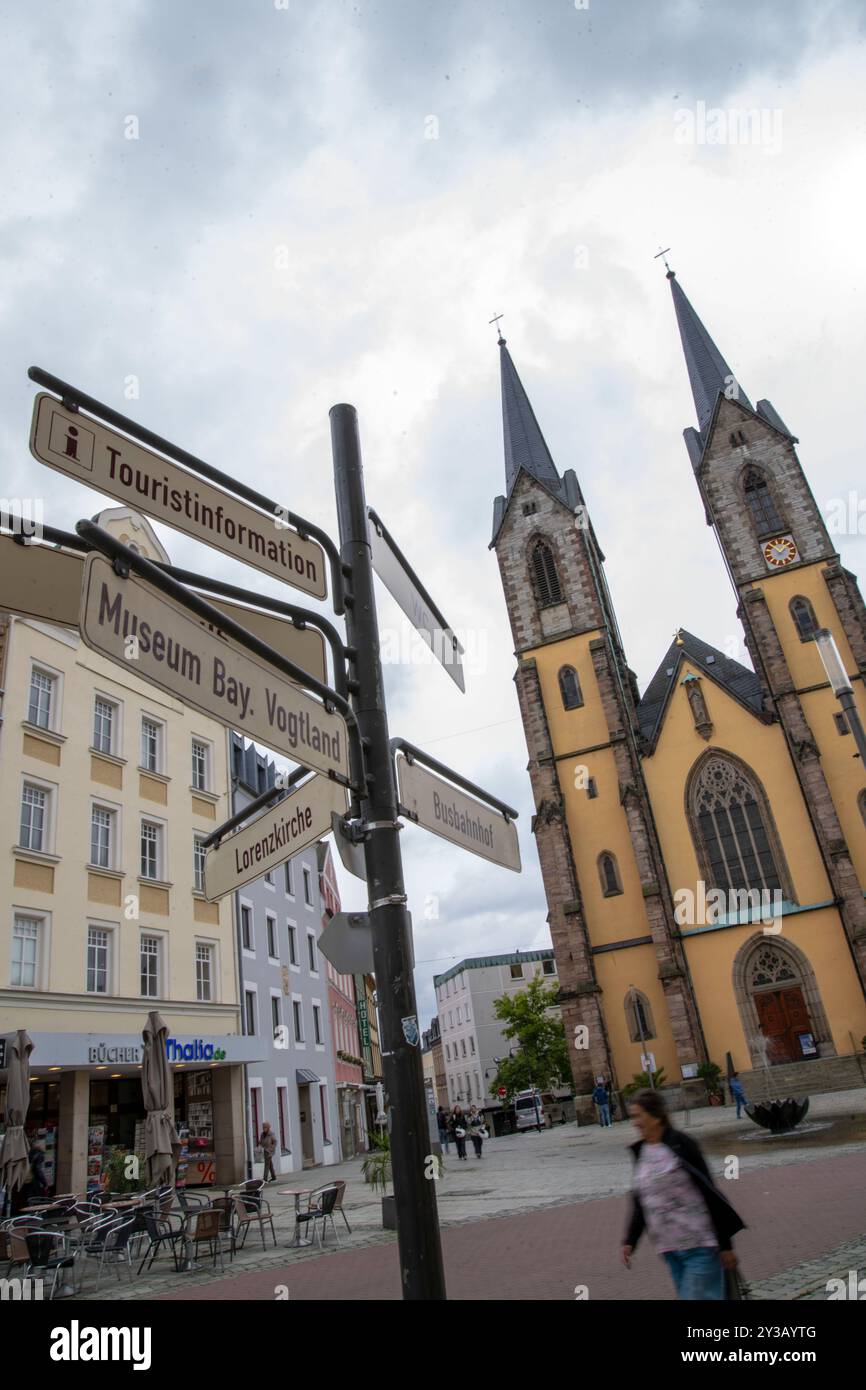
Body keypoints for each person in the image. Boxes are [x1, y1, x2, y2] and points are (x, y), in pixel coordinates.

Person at [622, 1089, 744, 1301]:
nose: (635, 1122)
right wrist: (630, 1240)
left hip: (699, 1245)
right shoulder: (641, 1152)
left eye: (638, 1115)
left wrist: (725, 1246)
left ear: (656, 1116)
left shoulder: (682, 1144)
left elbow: (710, 1193)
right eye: (633, 1116)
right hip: (669, 1249)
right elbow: (642, 1199)